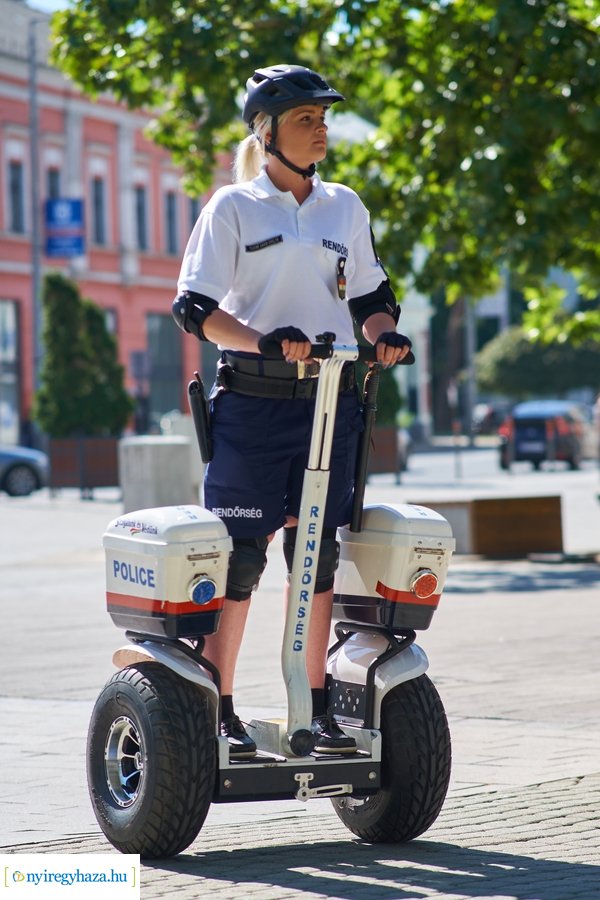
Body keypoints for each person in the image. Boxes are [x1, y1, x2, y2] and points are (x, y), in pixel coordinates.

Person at [173, 64, 412, 758]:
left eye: (323, 118)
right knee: (243, 559)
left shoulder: (345, 207)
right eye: (307, 119)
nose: (321, 130)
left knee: (318, 556)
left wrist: (384, 337)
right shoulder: (233, 207)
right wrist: (264, 342)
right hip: (253, 403)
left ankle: (315, 710)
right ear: (267, 132)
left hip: (332, 404)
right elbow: (195, 309)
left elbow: (371, 297)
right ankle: (219, 708)